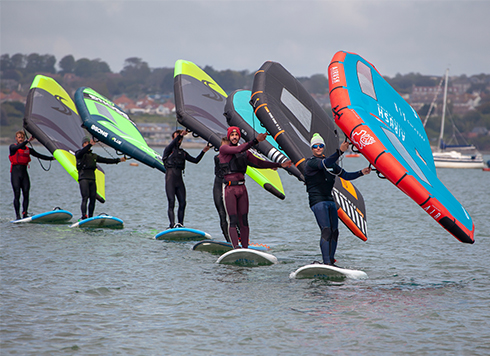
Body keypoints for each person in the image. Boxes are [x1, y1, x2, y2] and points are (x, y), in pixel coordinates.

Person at [219, 126, 291, 249]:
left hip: (242, 189)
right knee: (233, 219)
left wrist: (278, 164)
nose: (235, 137)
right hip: (230, 189)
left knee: (244, 220)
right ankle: (236, 248)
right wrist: (255, 141)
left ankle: (245, 248)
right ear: (229, 137)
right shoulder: (224, 149)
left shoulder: (245, 153)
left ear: (239, 137)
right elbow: (238, 149)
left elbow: (259, 163)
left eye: (236, 135)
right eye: (232, 135)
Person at [304, 133, 371, 266]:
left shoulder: (331, 165)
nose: (318, 148)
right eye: (315, 146)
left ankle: (331, 261)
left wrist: (361, 172)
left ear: (323, 147)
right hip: (318, 201)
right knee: (326, 230)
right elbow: (324, 163)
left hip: (330, 200)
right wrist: (340, 151)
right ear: (312, 148)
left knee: (335, 231)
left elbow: (345, 175)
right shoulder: (310, 163)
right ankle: (326, 262)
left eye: (320, 146)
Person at [162, 129, 210, 229]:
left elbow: (195, 160)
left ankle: (180, 224)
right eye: (177, 137)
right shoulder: (168, 150)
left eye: (180, 138)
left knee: (183, 202)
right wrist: (180, 135)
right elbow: (173, 143)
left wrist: (203, 151)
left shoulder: (183, 153)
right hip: (170, 180)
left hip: (179, 181)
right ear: (173, 139)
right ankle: (172, 225)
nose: (178, 140)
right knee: (171, 202)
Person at [75, 137, 126, 220]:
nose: (87, 144)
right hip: (83, 178)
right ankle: (84, 216)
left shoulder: (93, 156)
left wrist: (119, 160)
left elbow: (106, 160)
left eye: (88, 143)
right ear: (83, 145)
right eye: (85, 143)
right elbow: (81, 152)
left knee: (93, 199)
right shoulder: (79, 154)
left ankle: (90, 217)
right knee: (85, 197)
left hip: (92, 179)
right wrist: (90, 145)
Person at [9, 131, 54, 220]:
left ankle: (25, 213)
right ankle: (18, 216)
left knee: (26, 193)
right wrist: (28, 140)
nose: (21, 139)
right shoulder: (12, 147)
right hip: (15, 174)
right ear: (16, 138)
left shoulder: (28, 149)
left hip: (24, 174)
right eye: (19, 137)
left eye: (22, 137)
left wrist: (52, 158)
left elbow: (40, 155)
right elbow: (18, 147)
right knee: (17, 194)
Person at [213, 137, 231, 242]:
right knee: (222, 214)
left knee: (234, 215)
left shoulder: (234, 158)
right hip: (218, 185)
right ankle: (228, 240)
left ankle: (239, 239)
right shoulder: (217, 157)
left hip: (229, 186)